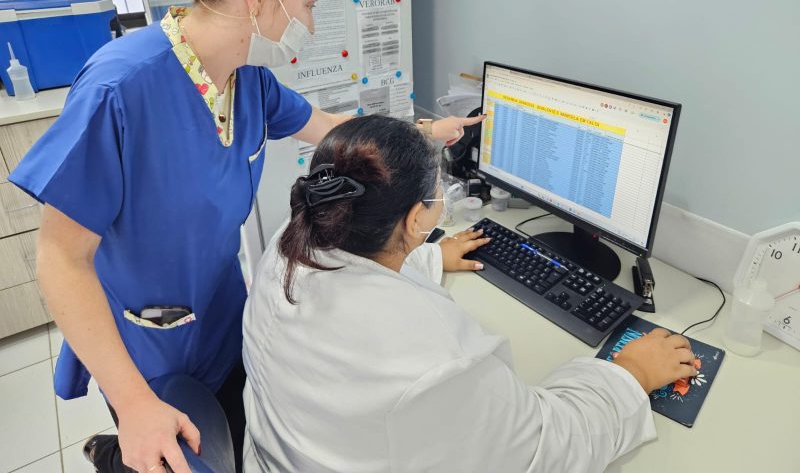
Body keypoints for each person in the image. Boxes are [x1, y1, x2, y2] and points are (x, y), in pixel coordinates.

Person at [9, 0, 480, 473]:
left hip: (223, 308)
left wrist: (425, 131)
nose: (307, 24)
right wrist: (133, 406)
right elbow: (60, 259)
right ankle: (115, 448)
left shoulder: (248, 82)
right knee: (175, 450)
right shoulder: (121, 88)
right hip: (146, 338)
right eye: (306, 3)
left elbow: (334, 129)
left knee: (238, 431)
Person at [242, 114, 699, 473]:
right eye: (438, 188)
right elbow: (543, 451)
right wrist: (630, 375)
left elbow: (359, 272)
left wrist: (431, 257)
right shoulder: (437, 364)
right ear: (416, 219)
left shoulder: (292, 240)